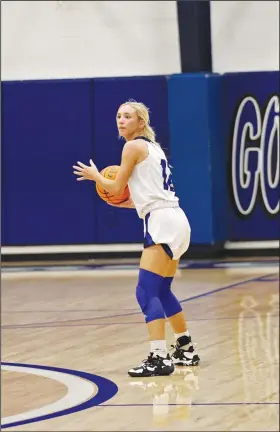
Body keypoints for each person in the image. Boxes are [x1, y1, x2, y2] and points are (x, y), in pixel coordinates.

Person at [73, 100, 200, 377]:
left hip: (162, 223)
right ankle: (186, 349)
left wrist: (96, 177)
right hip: (176, 219)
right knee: (162, 290)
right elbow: (147, 195)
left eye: (128, 116)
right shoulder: (153, 149)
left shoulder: (132, 147)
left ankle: (158, 357)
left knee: (145, 291)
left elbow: (117, 186)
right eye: (118, 115)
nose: (121, 120)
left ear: (141, 122)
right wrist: (126, 203)